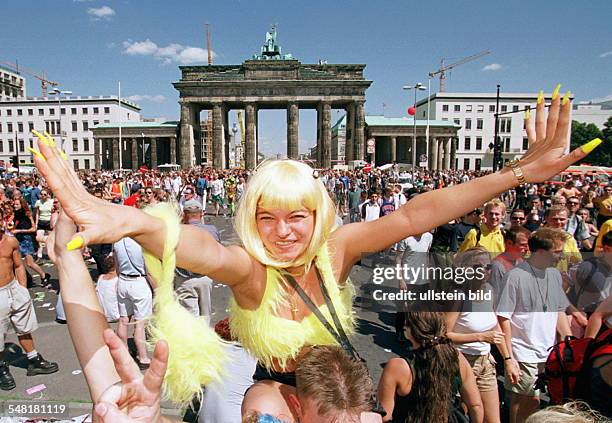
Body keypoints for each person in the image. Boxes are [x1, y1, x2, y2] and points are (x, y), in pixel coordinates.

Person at [28, 96, 601, 420]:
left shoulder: (337, 249)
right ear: (251, 220)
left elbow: (417, 214)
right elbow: (203, 251)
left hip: (341, 391)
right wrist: (137, 221)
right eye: (267, 217)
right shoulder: (252, 271)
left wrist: (517, 172)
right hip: (274, 391)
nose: (282, 232)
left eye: (296, 214)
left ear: (318, 213)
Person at [497, 228, 573, 423]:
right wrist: (508, 358)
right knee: (523, 401)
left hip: (548, 352)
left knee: (538, 403)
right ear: (540, 252)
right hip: (522, 351)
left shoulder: (555, 274)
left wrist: (568, 343)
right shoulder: (515, 276)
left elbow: (558, 310)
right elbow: (503, 318)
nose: (561, 255)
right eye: (557, 252)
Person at [377, 312, 484, 423]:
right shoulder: (457, 358)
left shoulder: (398, 367)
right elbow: (475, 406)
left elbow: (384, 415)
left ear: (409, 331)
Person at [446, 248, 510, 423]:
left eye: (488, 267)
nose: (485, 270)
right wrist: (481, 337)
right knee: (465, 416)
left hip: (485, 361)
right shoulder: (458, 296)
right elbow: (445, 335)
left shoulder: (489, 290)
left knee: (493, 419)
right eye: (478, 266)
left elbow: (495, 326)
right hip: (461, 361)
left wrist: (508, 359)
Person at [0, 216, 58, 391]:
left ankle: (33, 360)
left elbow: (18, 265)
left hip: (14, 288)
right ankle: (1, 367)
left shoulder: (10, 241)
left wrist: (22, 288)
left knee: (24, 326)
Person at [113, 237, 153, 369]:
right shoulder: (142, 242)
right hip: (139, 282)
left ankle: (124, 353)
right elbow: (149, 271)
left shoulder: (117, 241)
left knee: (123, 319)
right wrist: (157, 289)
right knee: (140, 323)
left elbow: (117, 266)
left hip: (123, 280)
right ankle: (143, 357)